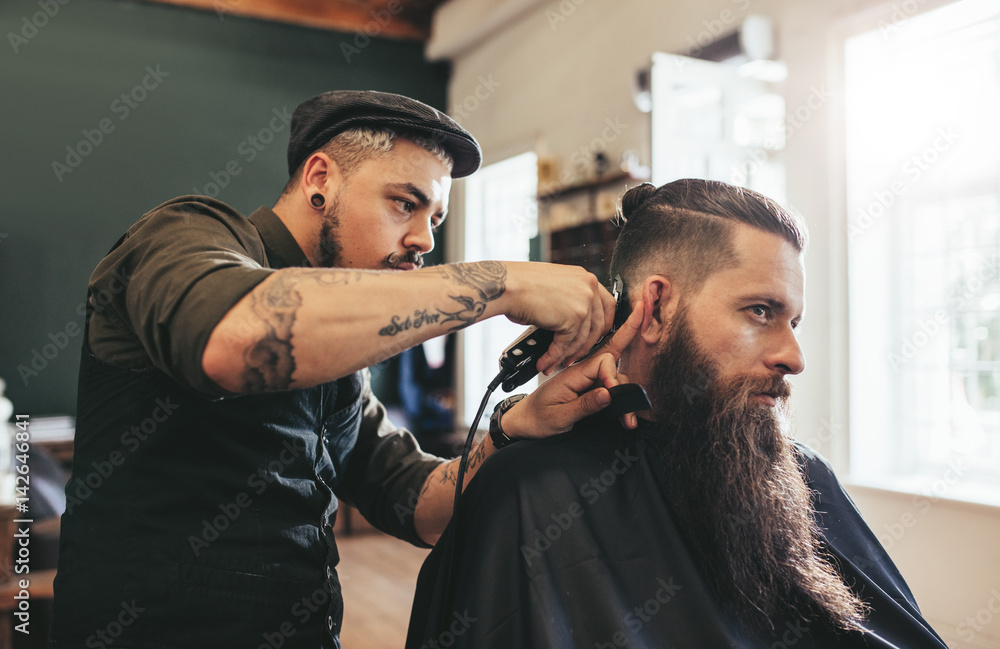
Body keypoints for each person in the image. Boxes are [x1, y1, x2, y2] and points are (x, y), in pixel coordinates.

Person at [49, 90, 631, 648]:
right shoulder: (184, 232)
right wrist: (503, 282)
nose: (424, 237)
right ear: (321, 179)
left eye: (435, 215)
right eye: (405, 203)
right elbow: (236, 339)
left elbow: (418, 504)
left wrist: (512, 427)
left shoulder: (344, 367)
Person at [406, 179, 949, 649]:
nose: (794, 357)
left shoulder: (806, 479)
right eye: (761, 311)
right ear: (658, 306)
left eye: (795, 322)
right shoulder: (529, 492)